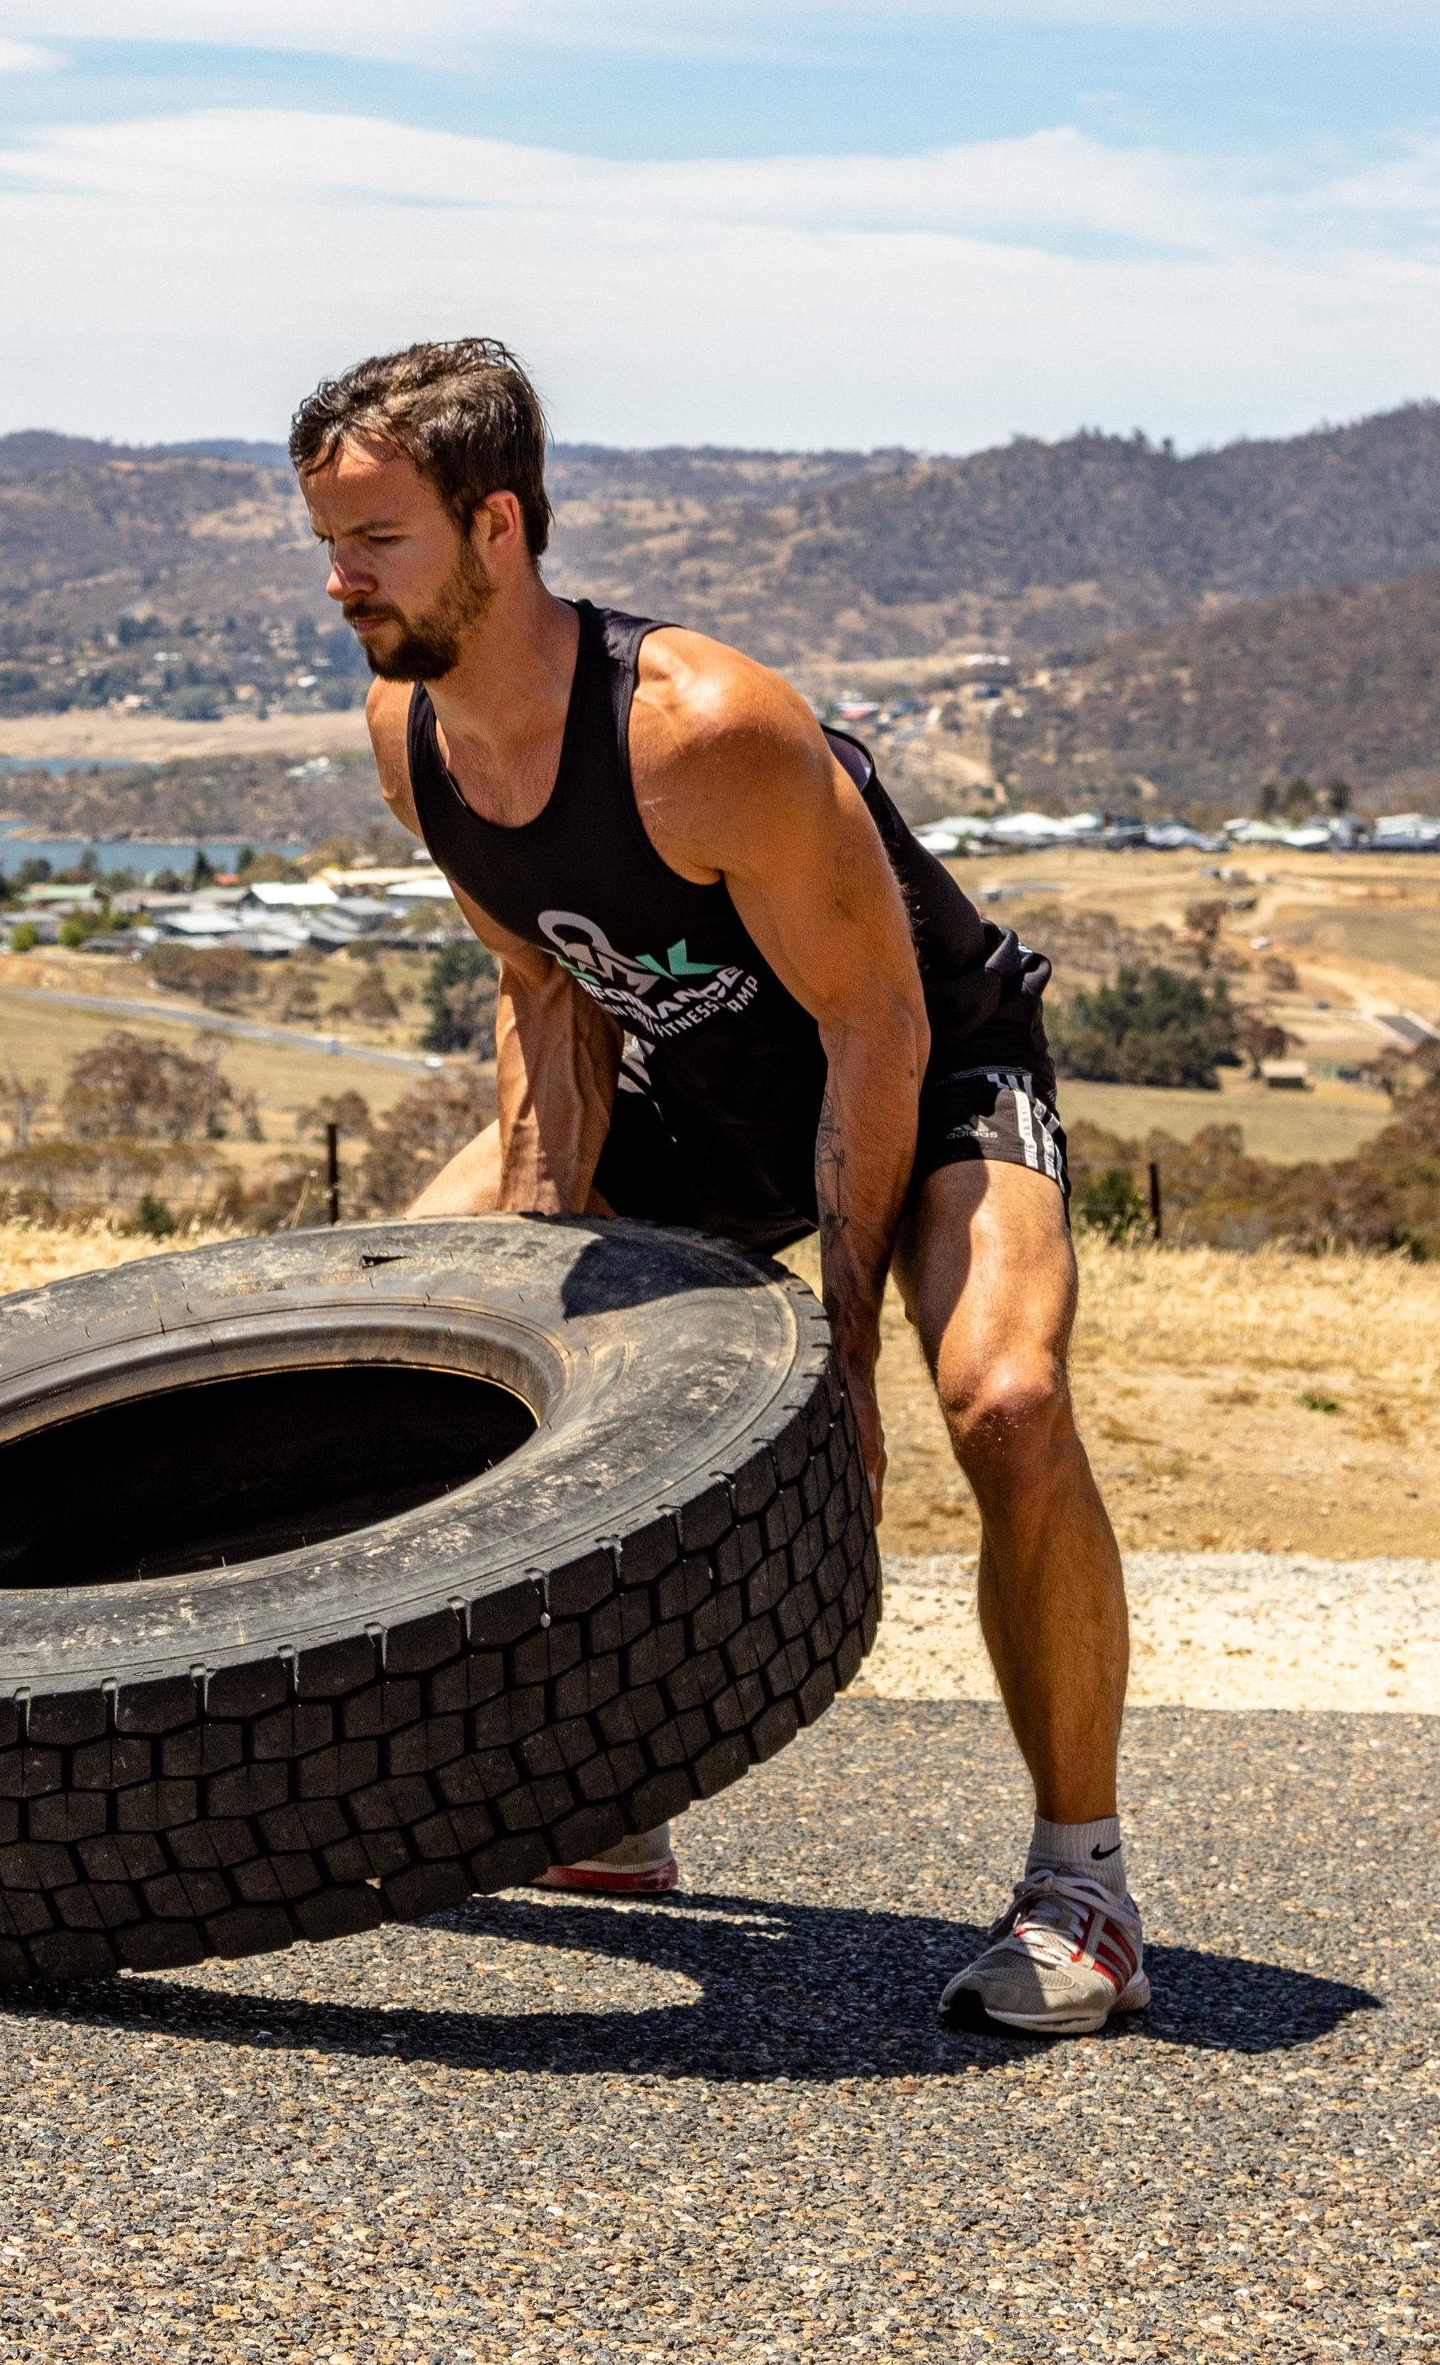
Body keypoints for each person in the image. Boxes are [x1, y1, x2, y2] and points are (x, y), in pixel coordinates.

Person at [288, 338, 1144, 2036]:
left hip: (926, 1067)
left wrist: (841, 1367)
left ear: (498, 526)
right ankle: (609, 1793)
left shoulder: (700, 732)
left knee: (1008, 1401)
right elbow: (549, 999)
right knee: (386, 1337)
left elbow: (875, 1023)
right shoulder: (416, 735)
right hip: (686, 1094)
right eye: (326, 539)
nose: (341, 581)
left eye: (377, 540)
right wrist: (533, 1304)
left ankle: (1083, 1879)